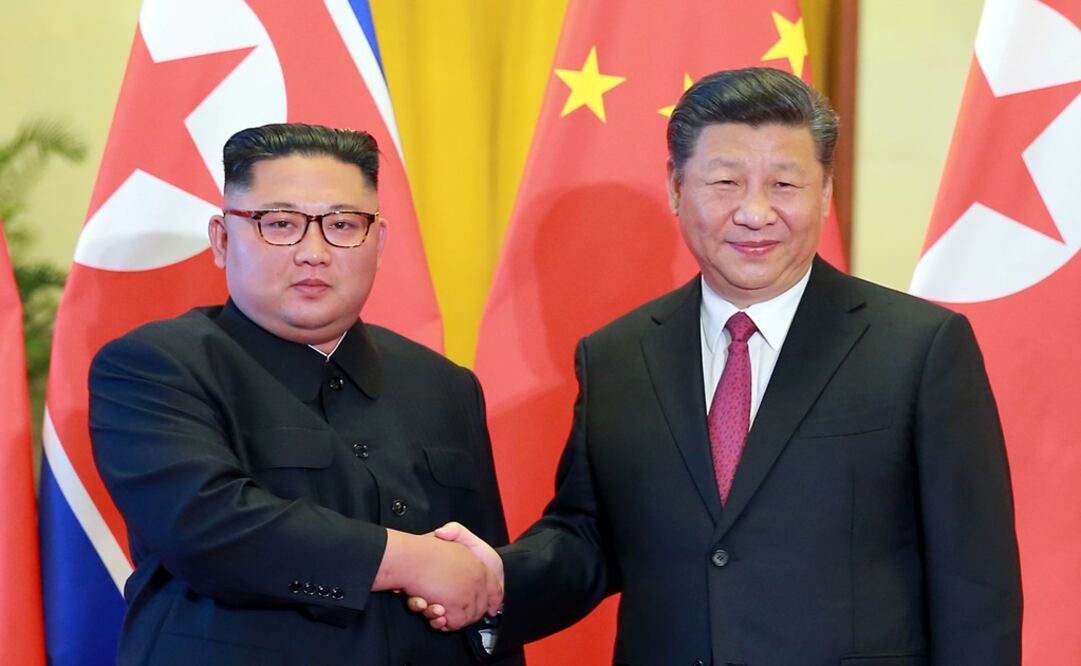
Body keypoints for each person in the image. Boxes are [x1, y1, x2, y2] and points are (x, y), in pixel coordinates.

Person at [422, 68, 1023, 665]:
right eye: (726, 182)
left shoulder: (918, 347)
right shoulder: (617, 357)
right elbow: (588, 537)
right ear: (676, 187)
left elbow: (974, 582)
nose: (755, 213)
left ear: (824, 192)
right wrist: (496, 579)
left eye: (784, 184)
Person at [89, 123, 522, 665]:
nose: (313, 252)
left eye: (342, 225)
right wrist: (411, 560)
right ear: (222, 239)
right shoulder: (156, 366)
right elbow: (206, 527)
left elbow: (481, 581)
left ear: (379, 242)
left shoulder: (444, 384)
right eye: (280, 224)